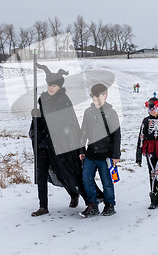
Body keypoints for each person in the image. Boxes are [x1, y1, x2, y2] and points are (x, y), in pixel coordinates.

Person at [29, 63, 86, 217]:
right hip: (43, 143)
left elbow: (67, 122)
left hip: (59, 143)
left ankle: (74, 194)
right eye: (49, 84)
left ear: (60, 86)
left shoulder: (64, 100)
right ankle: (43, 206)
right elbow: (41, 123)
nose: (51, 87)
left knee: (63, 172)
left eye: (54, 85)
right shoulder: (43, 99)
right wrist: (36, 116)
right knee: (41, 174)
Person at [79, 84, 121, 218]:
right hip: (90, 154)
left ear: (105, 96)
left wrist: (115, 155)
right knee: (87, 179)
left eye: (97, 95)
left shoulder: (111, 113)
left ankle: (109, 204)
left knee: (106, 181)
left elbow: (116, 135)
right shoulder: (88, 112)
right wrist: (81, 149)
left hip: (106, 155)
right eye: (92, 95)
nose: (94, 98)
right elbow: (83, 131)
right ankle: (92, 205)